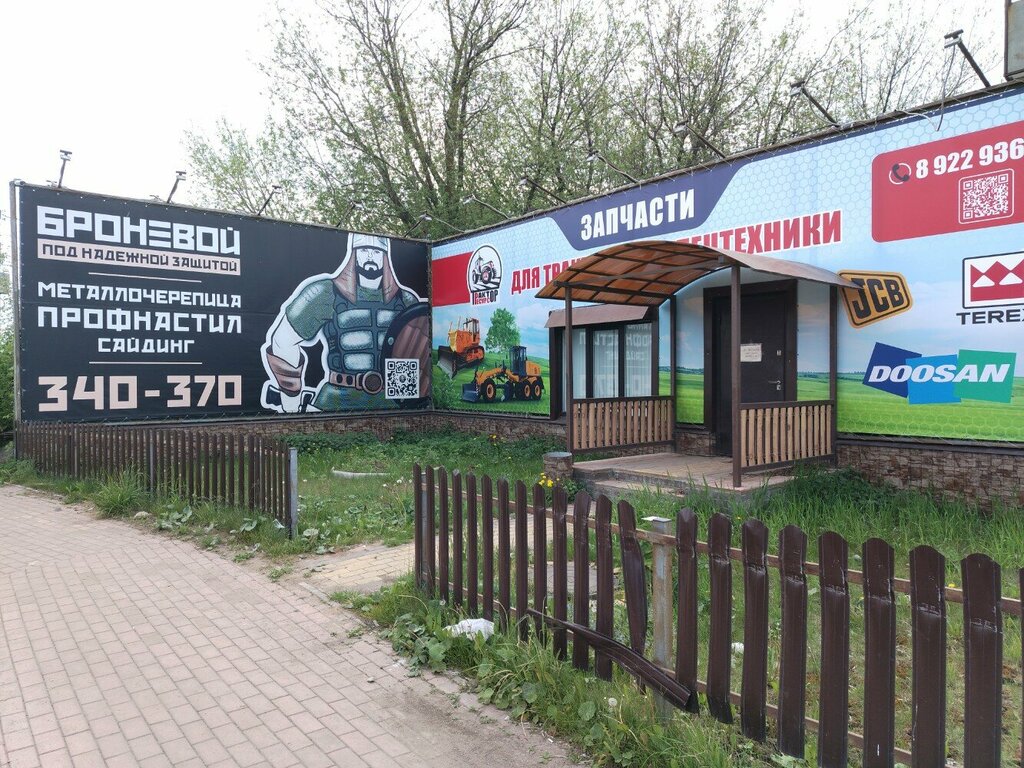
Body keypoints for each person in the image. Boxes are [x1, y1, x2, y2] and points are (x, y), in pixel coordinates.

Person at [261, 233, 424, 412]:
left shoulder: (406, 300)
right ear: (355, 254)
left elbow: (415, 354)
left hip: (392, 405)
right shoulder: (326, 292)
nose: (370, 256)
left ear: (385, 256)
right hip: (336, 400)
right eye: (364, 250)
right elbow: (282, 340)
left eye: (377, 252)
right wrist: (291, 404)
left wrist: (410, 403)